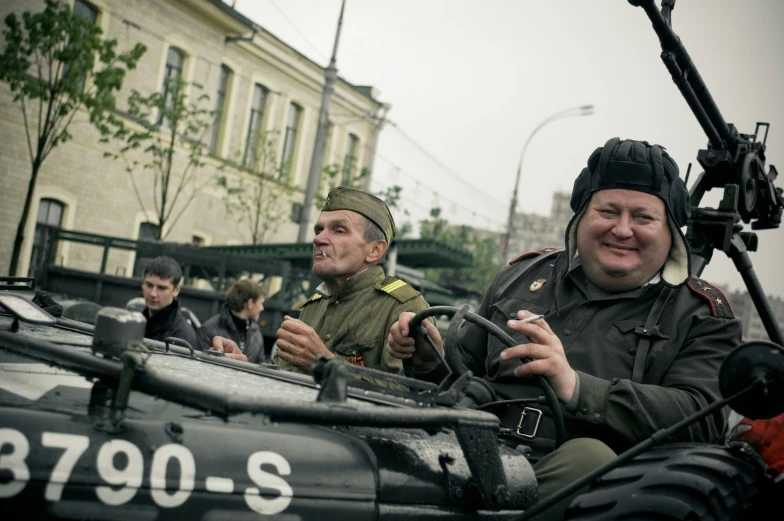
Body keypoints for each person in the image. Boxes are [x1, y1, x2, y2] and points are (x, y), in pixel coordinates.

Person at [386, 138, 742, 521]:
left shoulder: (701, 314)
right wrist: (427, 360)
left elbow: (701, 418)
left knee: (588, 457)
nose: (622, 230)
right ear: (581, 217)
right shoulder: (522, 275)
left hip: (596, 487)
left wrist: (576, 387)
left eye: (643, 217)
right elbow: (461, 379)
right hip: (476, 448)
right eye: (608, 211)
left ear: (671, 229)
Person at [210, 186, 431, 375]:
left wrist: (323, 363)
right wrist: (245, 368)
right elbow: (284, 379)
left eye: (339, 230)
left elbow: (407, 400)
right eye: (319, 229)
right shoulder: (313, 306)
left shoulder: (403, 308)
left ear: (374, 250)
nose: (318, 238)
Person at [197, 279, 266, 363]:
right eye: (261, 303)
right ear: (250, 303)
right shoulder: (208, 330)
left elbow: (261, 366)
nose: (262, 308)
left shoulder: (256, 333)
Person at [140, 256, 198, 348]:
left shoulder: (182, 336)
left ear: (176, 290)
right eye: (149, 285)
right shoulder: (137, 320)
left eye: (161, 288)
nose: (153, 294)